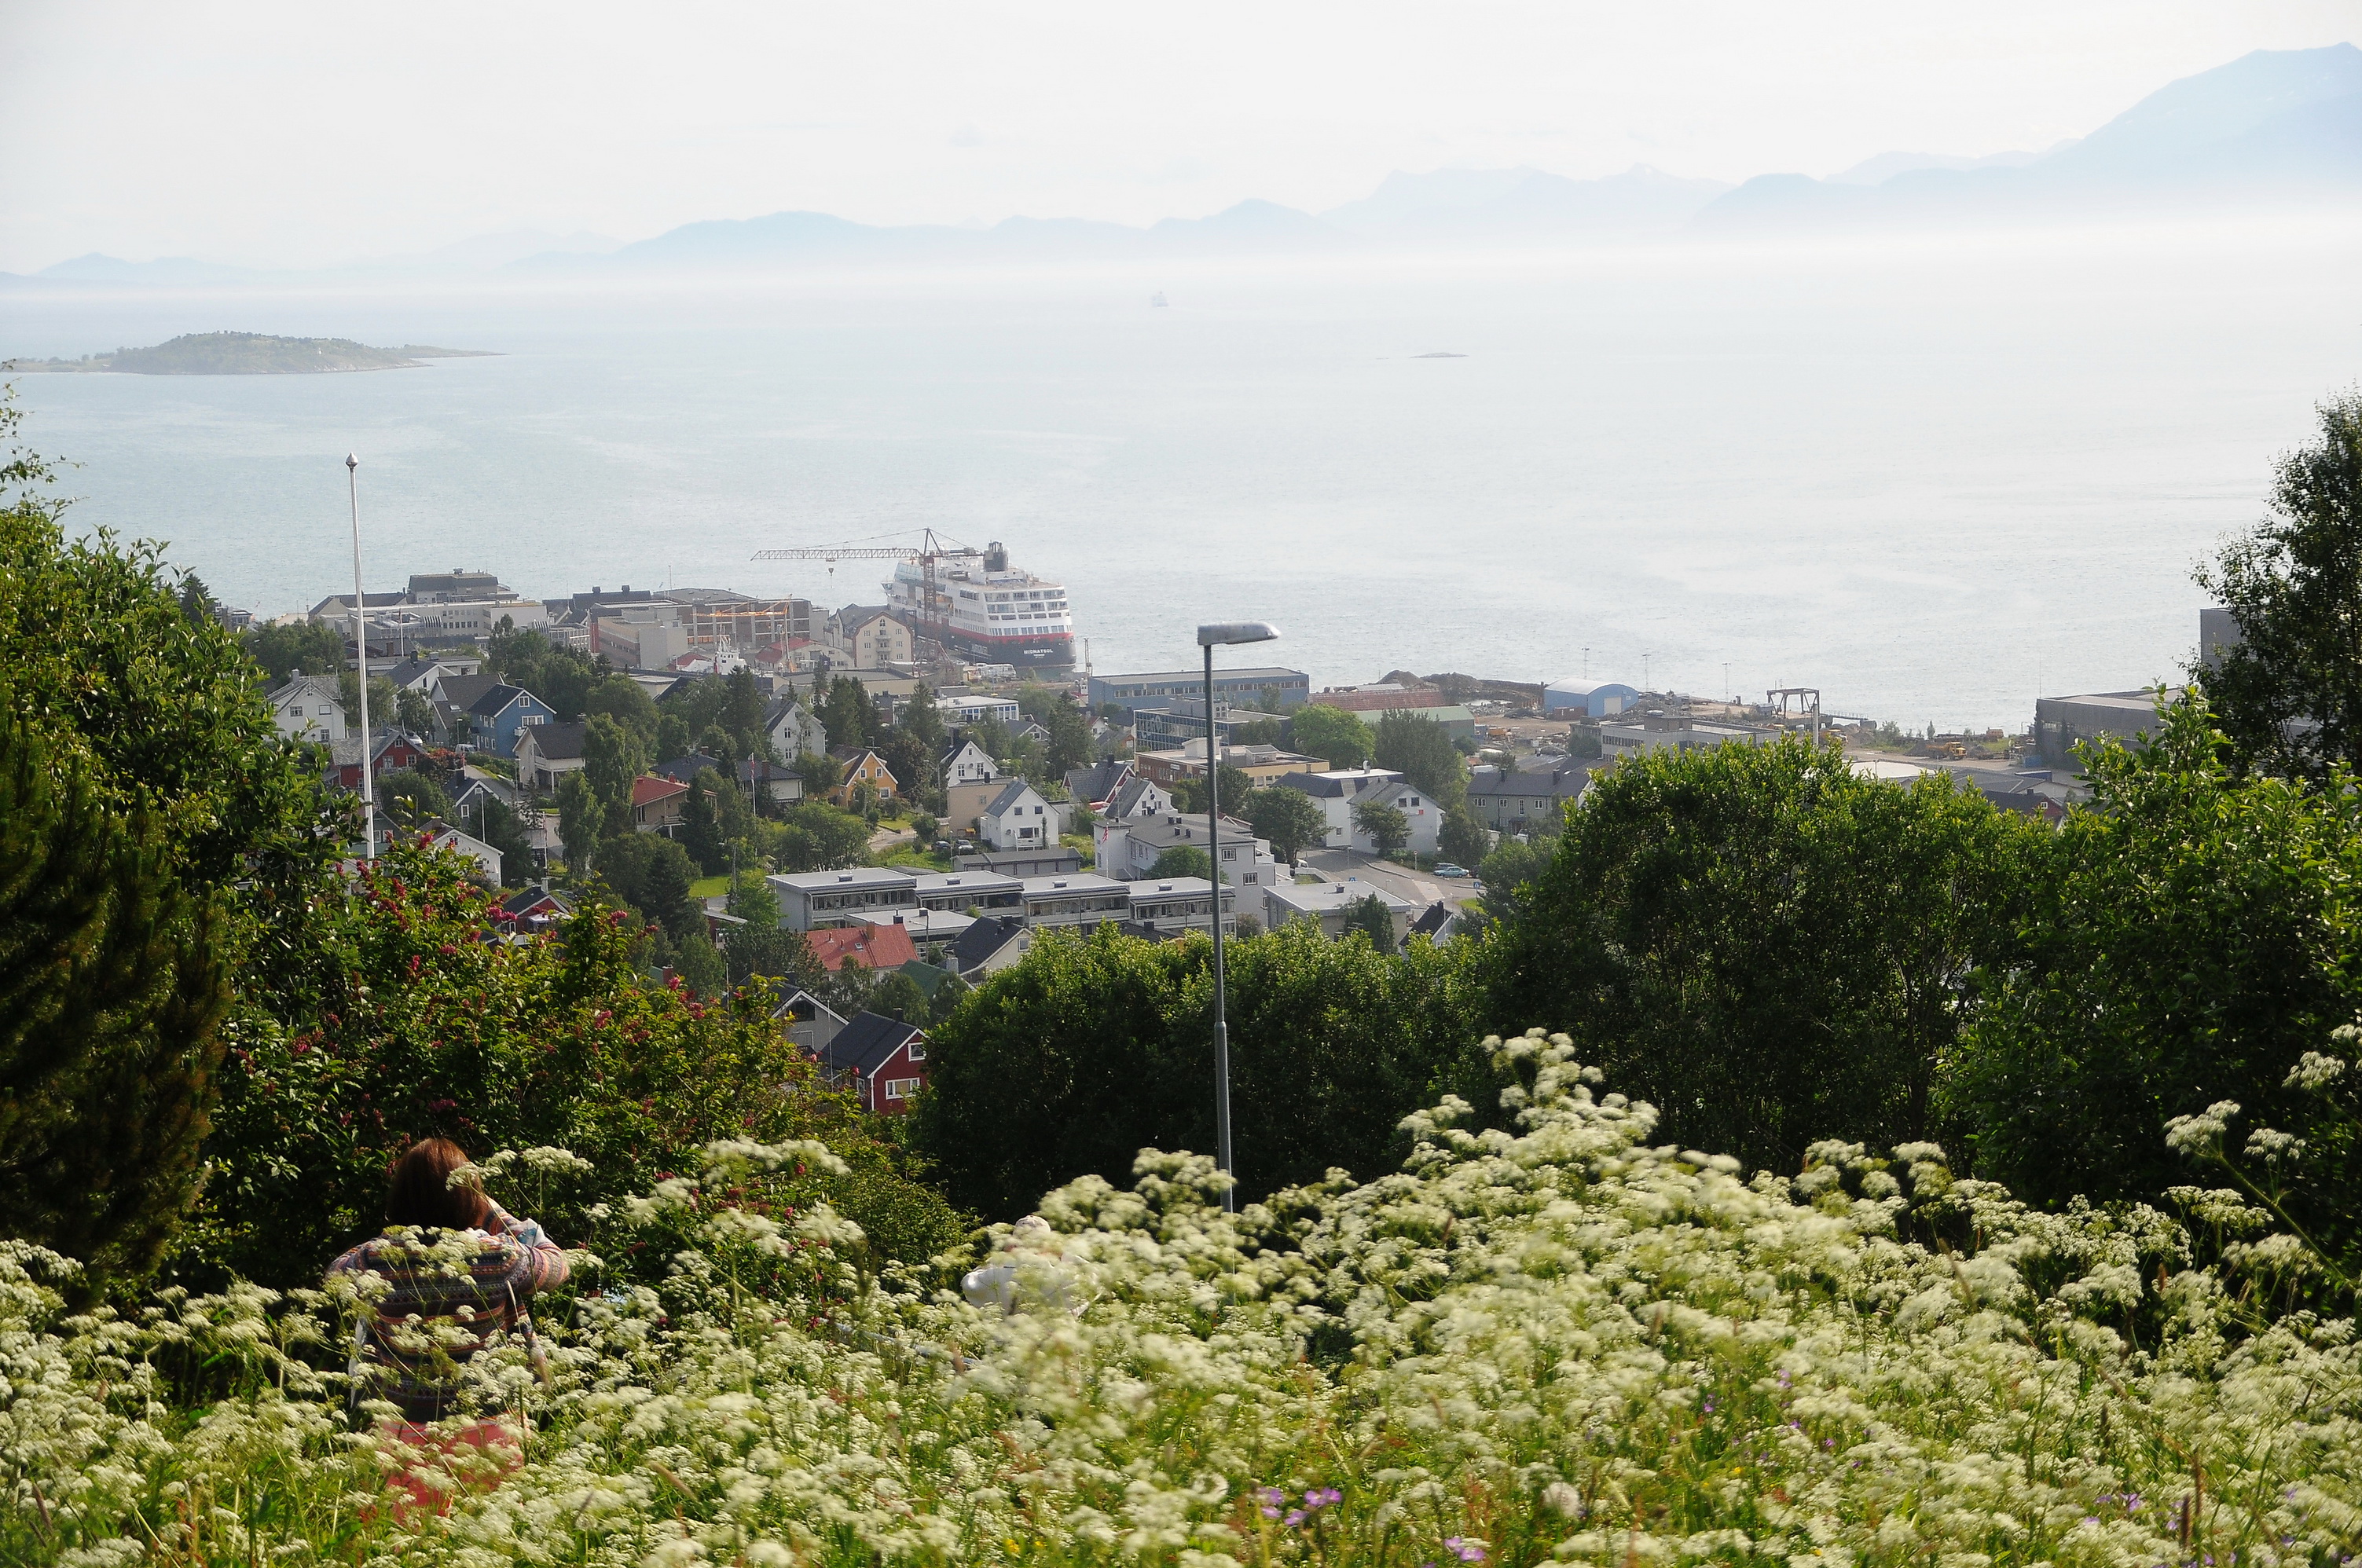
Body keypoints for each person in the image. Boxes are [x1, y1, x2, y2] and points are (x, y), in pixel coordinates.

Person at [328, 1138, 570, 1429]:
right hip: (489, 1428)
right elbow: (558, 1264)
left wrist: (392, 1237)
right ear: (469, 1196)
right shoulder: (497, 1255)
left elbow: (336, 1274)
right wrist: (493, 1213)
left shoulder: (378, 1260)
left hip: (402, 1431)